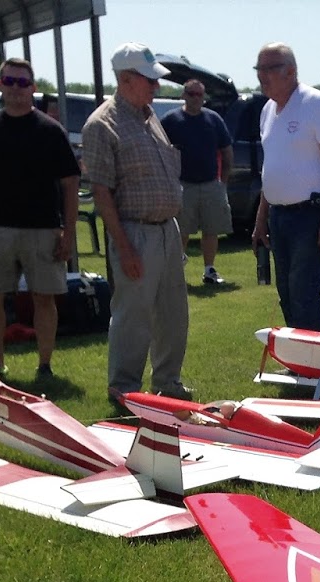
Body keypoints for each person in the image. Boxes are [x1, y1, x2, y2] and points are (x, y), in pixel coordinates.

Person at [0, 57, 80, 384]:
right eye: (9, 81)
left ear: (33, 87)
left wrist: (69, 232)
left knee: (43, 298)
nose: (16, 88)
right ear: (0, 85)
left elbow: (70, 183)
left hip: (43, 228)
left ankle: (45, 366)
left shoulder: (51, 131)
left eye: (22, 82)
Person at [80, 42, 191, 400]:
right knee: (134, 315)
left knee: (173, 313)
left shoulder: (149, 117)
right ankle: (124, 387)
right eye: (149, 80)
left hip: (166, 229)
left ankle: (167, 384)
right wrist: (124, 246)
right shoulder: (101, 125)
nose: (156, 86)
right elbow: (101, 192)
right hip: (135, 231)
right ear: (126, 79)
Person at [251, 43, 320, 332]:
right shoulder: (267, 111)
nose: (262, 76)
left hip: (309, 216)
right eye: (258, 69)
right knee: (287, 294)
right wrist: (260, 220)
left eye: (269, 68)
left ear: (290, 71)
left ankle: (315, 356)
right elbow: (271, 170)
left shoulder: (315, 104)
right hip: (278, 216)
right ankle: (299, 355)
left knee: (304, 294)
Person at [161, 78, 233, 286]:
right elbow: (160, 151)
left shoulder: (213, 119)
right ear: (183, 95)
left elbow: (227, 152)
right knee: (181, 230)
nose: (195, 98)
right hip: (182, 184)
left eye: (199, 94)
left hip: (211, 183)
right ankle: (177, 272)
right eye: (191, 94)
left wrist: (222, 182)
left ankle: (209, 270)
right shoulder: (171, 120)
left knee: (211, 229)